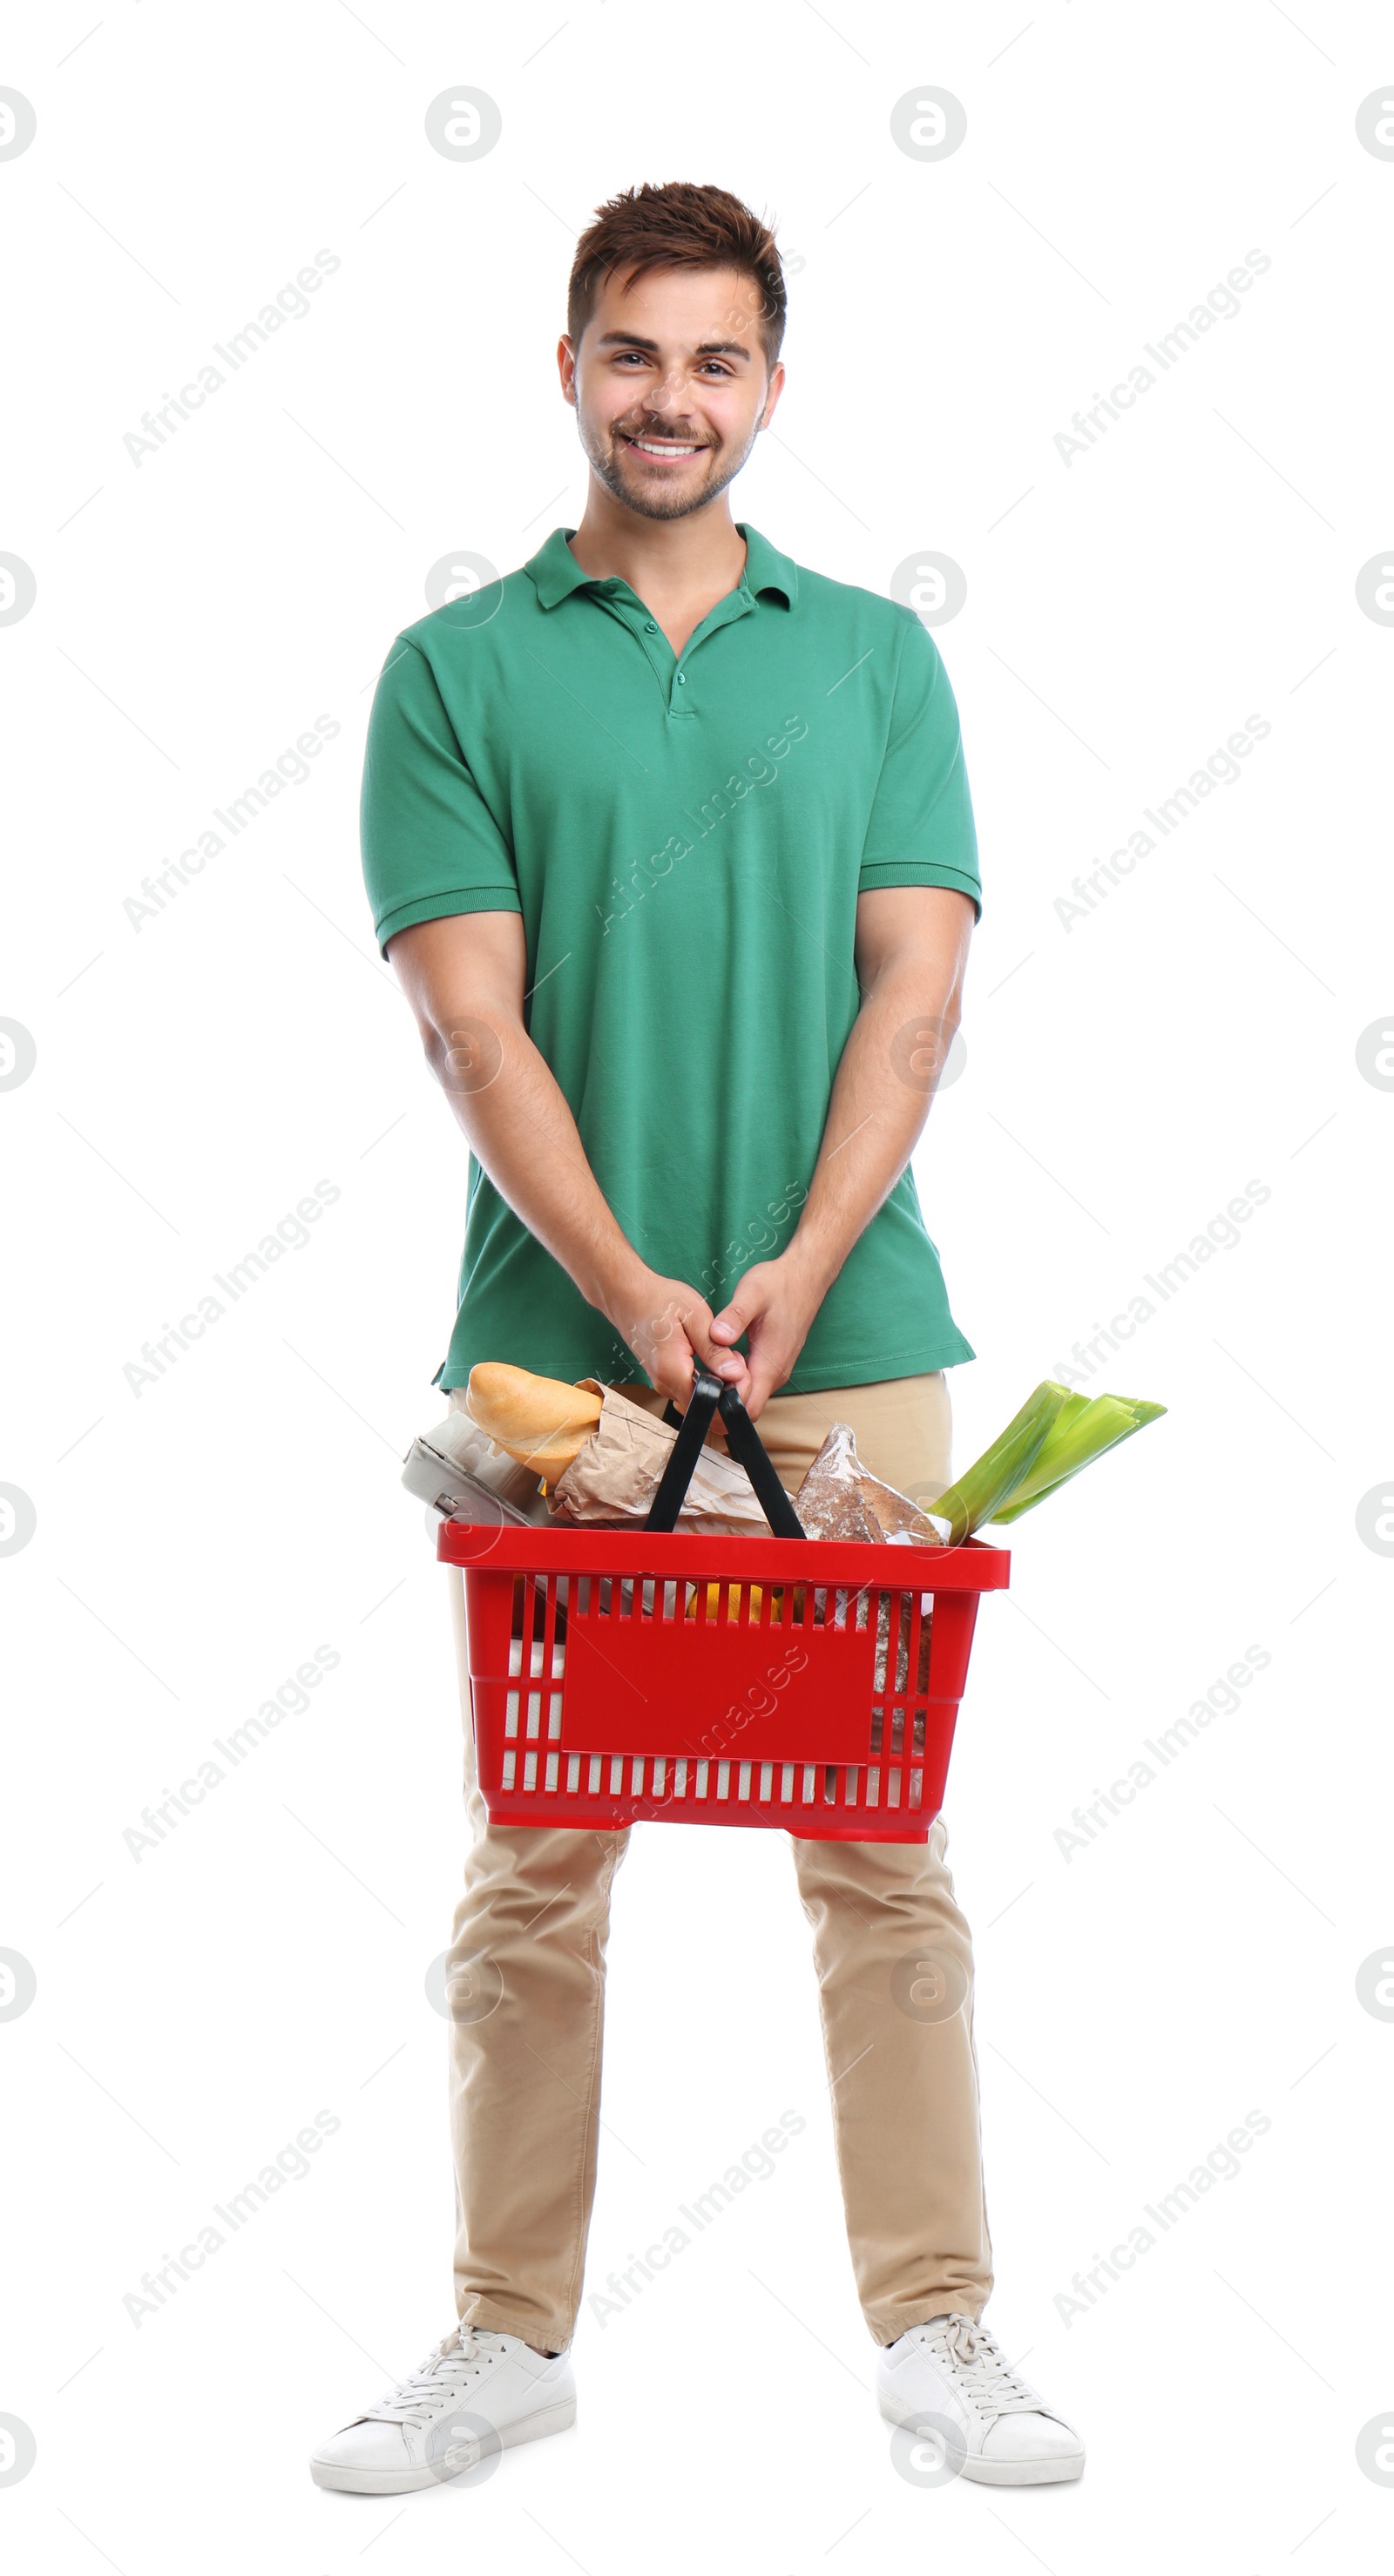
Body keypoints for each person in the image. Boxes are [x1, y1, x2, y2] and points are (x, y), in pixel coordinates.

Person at [311, 181, 1083, 2498]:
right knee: (542, 1843)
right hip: (562, 1366)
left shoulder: (871, 660)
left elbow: (915, 991)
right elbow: (472, 1029)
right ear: (570, 371)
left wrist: (806, 1263)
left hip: (847, 1340)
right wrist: (635, 1290)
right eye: (633, 355)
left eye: (717, 360)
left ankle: (942, 2332)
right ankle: (502, 2337)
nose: (674, 399)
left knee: (879, 1840)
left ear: (770, 386)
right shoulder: (456, 672)